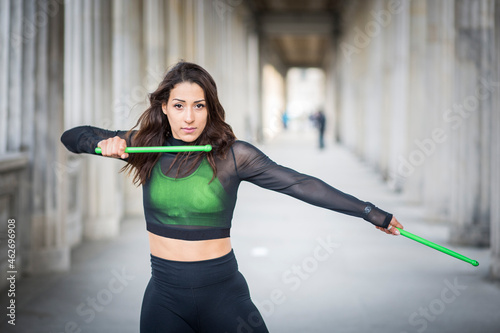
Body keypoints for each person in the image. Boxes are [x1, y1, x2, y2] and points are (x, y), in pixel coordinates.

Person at [61, 61, 403, 333]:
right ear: (164, 106)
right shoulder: (144, 147)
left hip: (223, 295)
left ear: (210, 109)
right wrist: (102, 144)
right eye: (179, 106)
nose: (189, 117)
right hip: (164, 298)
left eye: (199, 106)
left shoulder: (232, 155)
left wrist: (370, 212)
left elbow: (300, 184)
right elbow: (71, 136)